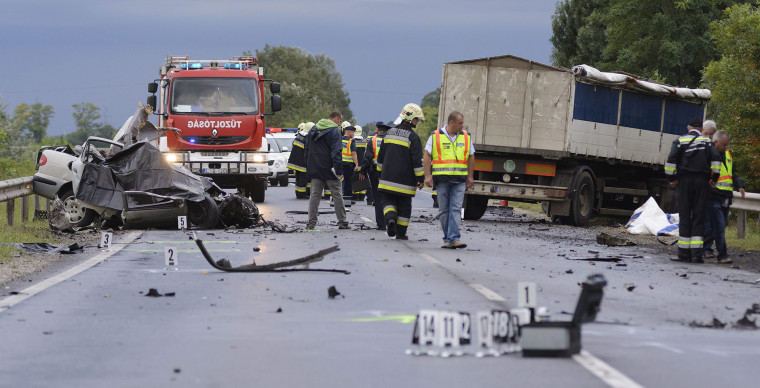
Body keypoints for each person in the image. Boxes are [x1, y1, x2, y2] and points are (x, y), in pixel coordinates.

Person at [664, 117, 721, 263]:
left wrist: (671, 179)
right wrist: (713, 180)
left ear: (689, 128)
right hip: (702, 183)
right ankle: (697, 254)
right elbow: (716, 162)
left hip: (684, 183)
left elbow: (671, 161)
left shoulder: (680, 140)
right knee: (698, 217)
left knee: (684, 216)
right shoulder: (708, 142)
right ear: (702, 130)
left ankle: (683, 254)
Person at [423, 111, 475, 249]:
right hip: (442, 179)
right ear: (451, 122)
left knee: (456, 209)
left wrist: (470, 176)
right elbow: (427, 155)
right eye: (460, 123)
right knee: (444, 210)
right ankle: (448, 238)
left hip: (459, 179)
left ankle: (453, 238)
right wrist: (428, 176)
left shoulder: (465, 136)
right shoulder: (436, 136)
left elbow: (471, 156)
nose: (462, 126)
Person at [377, 103, 426, 240]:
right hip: (405, 182)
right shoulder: (413, 138)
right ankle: (401, 233)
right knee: (404, 207)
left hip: (387, 179)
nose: (417, 122)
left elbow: (380, 157)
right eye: (416, 119)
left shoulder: (388, 134)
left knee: (388, 201)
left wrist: (379, 174)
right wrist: (420, 179)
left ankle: (390, 219)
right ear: (410, 118)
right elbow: (416, 161)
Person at [704, 130, 745, 264]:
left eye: (727, 145)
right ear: (716, 143)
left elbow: (732, 173)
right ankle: (722, 255)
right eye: (724, 145)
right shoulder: (708, 154)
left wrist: (739, 185)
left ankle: (706, 249)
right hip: (714, 196)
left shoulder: (727, 154)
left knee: (714, 225)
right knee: (719, 226)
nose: (726, 148)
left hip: (726, 196)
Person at [304, 111, 349, 230]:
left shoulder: (313, 129)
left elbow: (306, 149)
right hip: (330, 169)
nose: (339, 123)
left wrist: (309, 166)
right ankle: (342, 222)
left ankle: (311, 223)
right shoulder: (335, 131)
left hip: (315, 168)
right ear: (335, 119)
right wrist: (338, 170)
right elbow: (336, 151)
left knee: (314, 196)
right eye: (340, 121)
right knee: (337, 195)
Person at [359, 122, 390, 230]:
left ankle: (381, 224)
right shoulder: (391, 141)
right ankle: (390, 219)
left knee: (377, 196)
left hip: (375, 172)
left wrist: (362, 171)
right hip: (389, 172)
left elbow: (367, 158)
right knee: (389, 197)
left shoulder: (373, 140)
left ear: (378, 131)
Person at [288, 122, 312, 199]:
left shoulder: (299, 135)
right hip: (302, 163)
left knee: (298, 178)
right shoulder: (307, 137)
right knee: (304, 179)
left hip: (296, 162)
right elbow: (308, 151)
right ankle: (302, 194)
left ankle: (299, 193)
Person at [340, 125, 359, 207]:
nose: (353, 134)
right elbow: (353, 153)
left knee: (339, 182)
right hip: (348, 165)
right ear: (349, 132)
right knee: (348, 183)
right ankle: (347, 200)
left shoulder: (339, 139)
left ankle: (339, 199)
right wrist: (357, 164)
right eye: (353, 132)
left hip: (339, 164)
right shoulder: (351, 141)